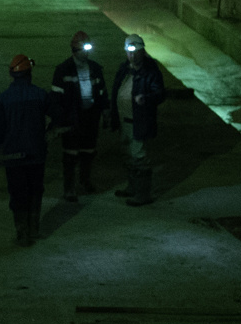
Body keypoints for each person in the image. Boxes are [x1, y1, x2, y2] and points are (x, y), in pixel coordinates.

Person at [0, 53, 55, 246]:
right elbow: (59, 116)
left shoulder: (3, 99)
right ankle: (34, 228)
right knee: (35, 190)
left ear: (12, 75)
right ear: (29, 74)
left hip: (13, 156)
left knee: (18, 193)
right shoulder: (41, 95)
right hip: (36, 154)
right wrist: (49, 133)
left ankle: (22, 232)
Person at [107, 35, 167, 206]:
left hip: (138, 122)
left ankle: (143, 193)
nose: (131, 56)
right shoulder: (125, 68)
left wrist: (145, 99)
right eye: (128, 52)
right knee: (128, 154)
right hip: (123, 120)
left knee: (139, 156)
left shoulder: (150, 70)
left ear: (142, 50)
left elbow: (160, 93)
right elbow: (116, 89)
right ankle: (132, 187)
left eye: (135, 52)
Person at [50, 31, 108, 200]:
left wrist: (105, 112)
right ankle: (69, 188)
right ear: (74, 50)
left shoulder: (95, 69)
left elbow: (102, 92)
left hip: (90, 117)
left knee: (88, 151)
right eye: (83, 49)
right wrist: (58, 122)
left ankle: (85, 180)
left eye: (88, 48)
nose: (87, 52)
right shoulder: (63, 70)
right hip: (72, 118)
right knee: (70, 154)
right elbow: (56, 99)